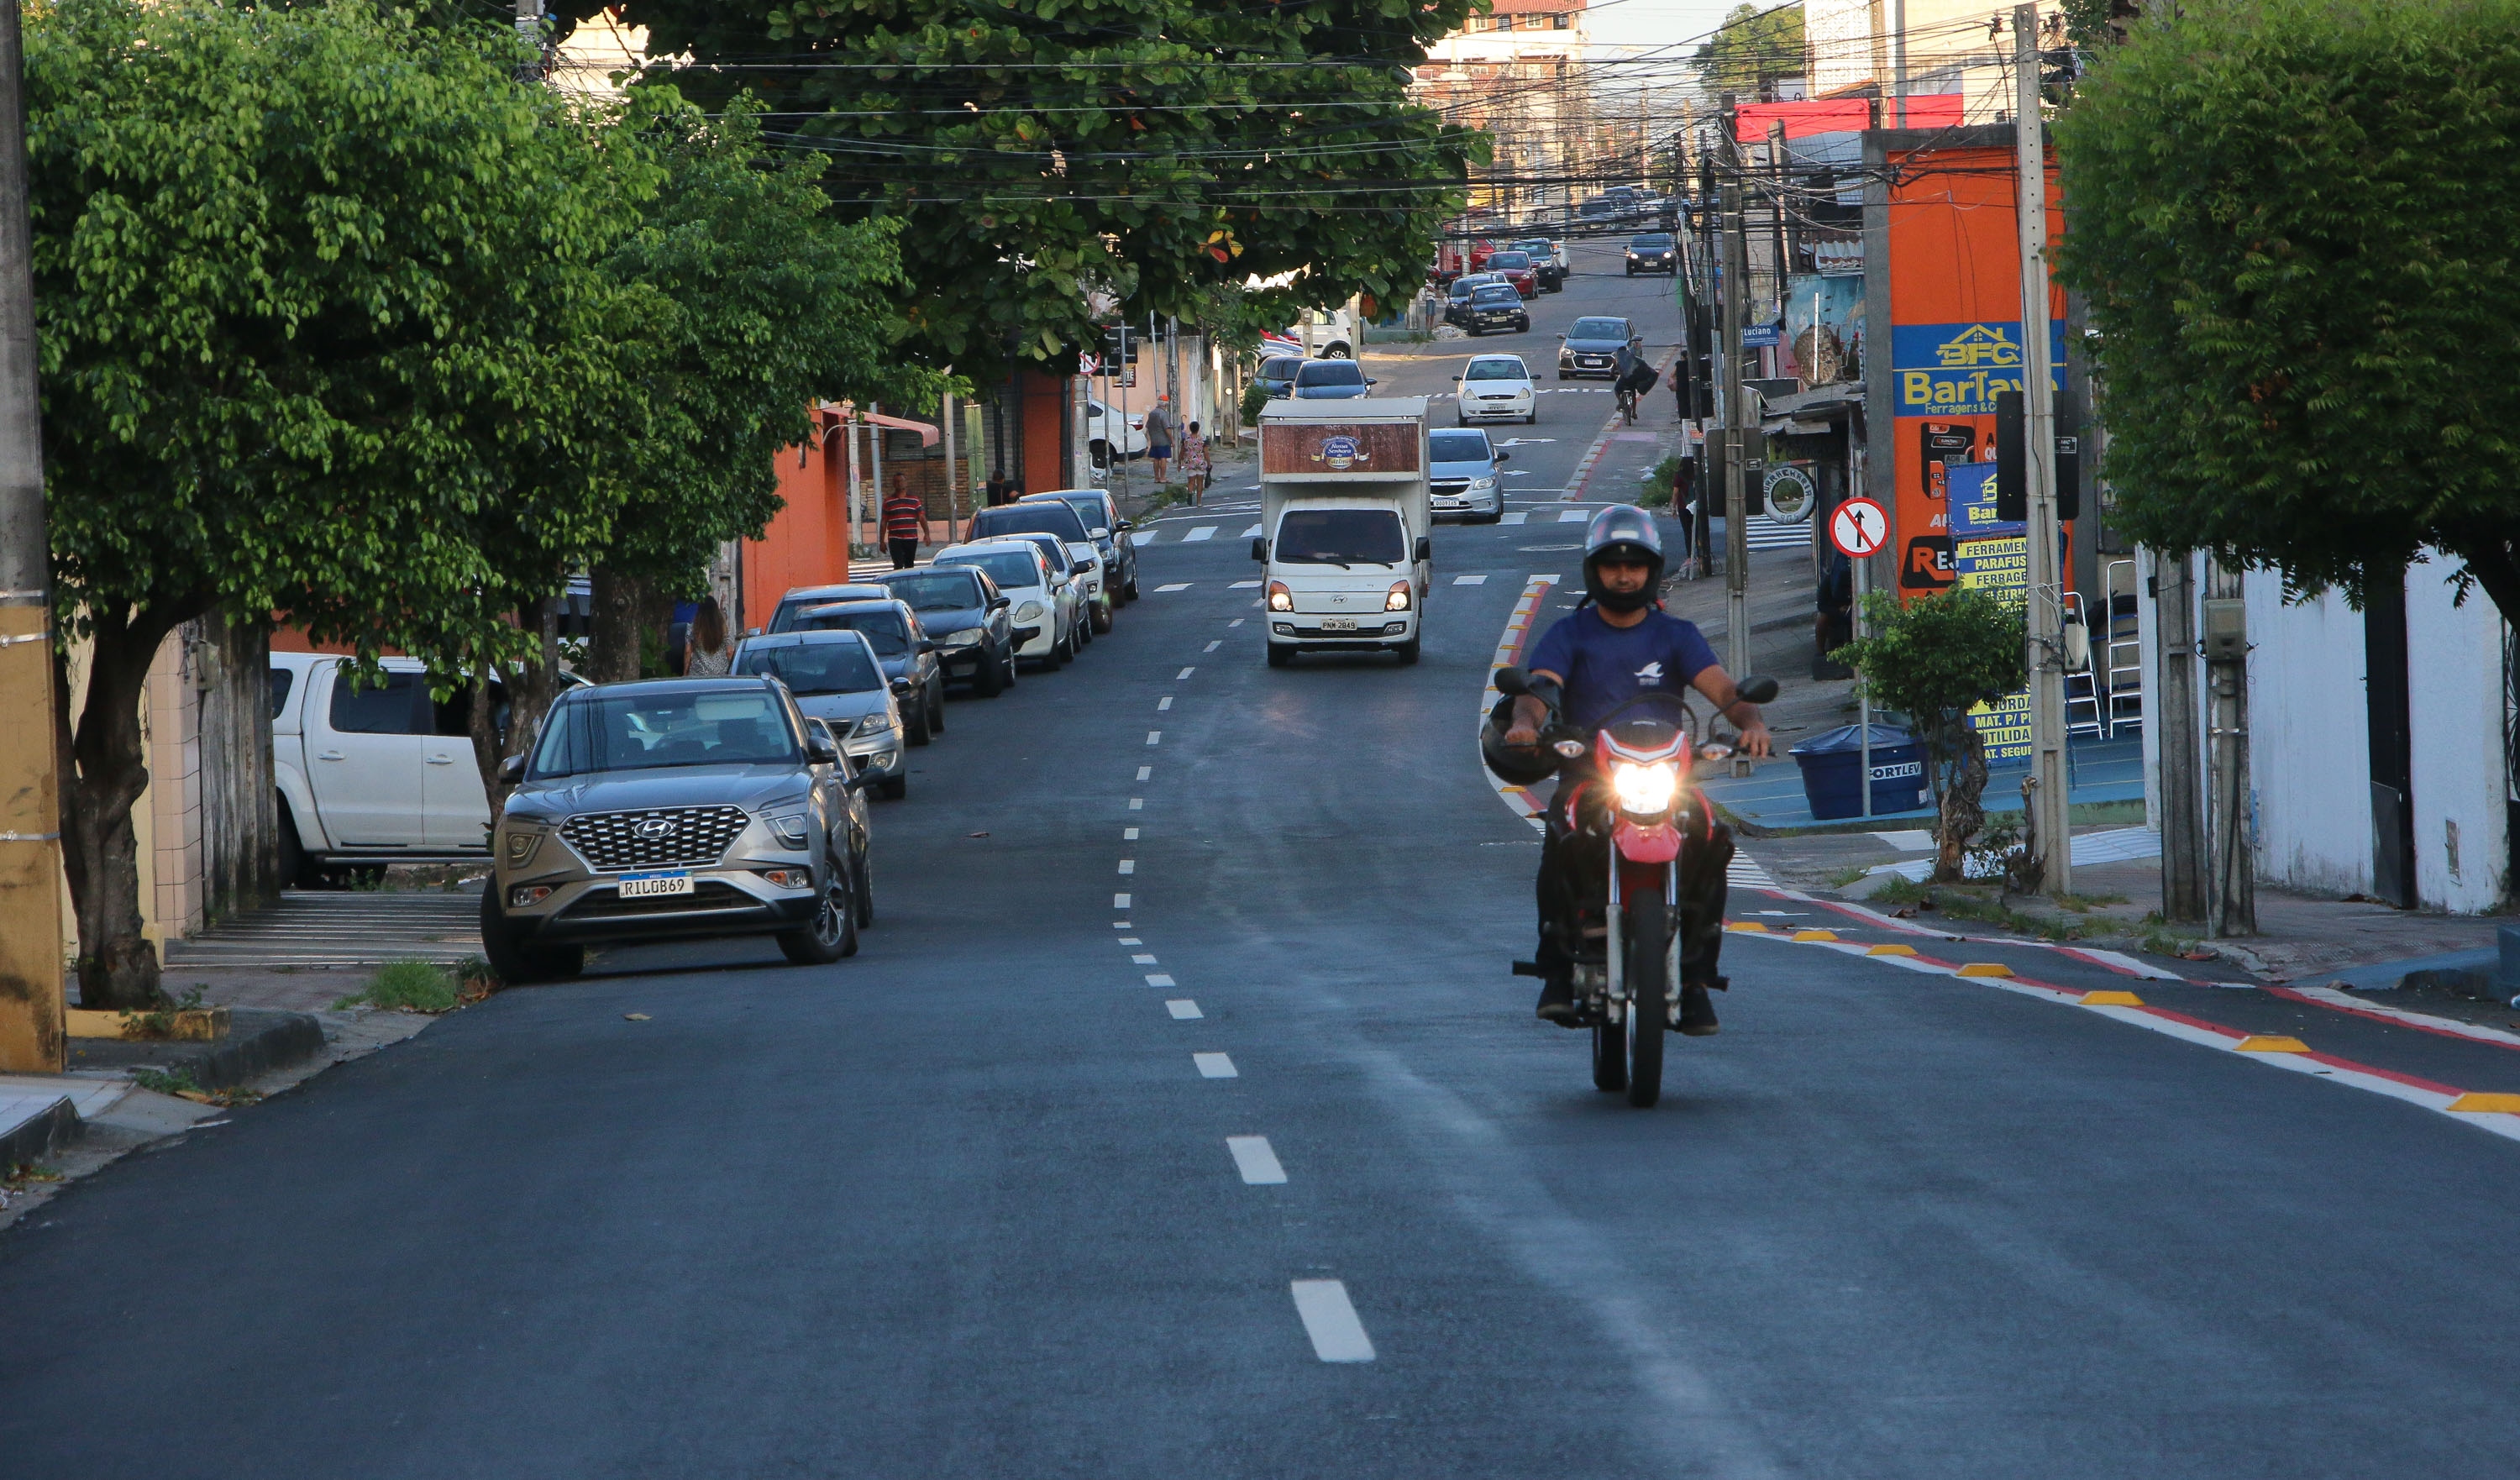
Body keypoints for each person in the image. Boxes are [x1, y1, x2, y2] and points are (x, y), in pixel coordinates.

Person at [1502, 505, 1773, 1032]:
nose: (1624, 576)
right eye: (1611, 565)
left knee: (1714, 836)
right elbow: (1540, 690)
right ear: (1593, 570)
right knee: (1559, 831)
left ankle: (1695, 977)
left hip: (1668, 775)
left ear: (1652, 571)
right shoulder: (1570, 632)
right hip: (1590, 776)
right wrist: (1527, 723)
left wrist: (1751, 722)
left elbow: (1724, 690)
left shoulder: (1676, 634)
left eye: (1635, 566)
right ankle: (1557, 969)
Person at [684, 596, 733, 677]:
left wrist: (685, 673)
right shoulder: (724, 629)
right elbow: (729, 652)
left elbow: (688, 651)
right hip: (721, 674)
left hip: (698, 674)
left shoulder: (692, 628)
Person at [882, 473, 923, 569]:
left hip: (911, 538)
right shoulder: (888, 502)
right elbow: (884, 521)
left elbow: (922, 517)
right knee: (898, 564)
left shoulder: (914, 500)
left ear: (906, 483)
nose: (899, 483)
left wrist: (927, 534)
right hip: (895, 538)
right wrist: (881, 541)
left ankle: (909, 584)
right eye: (896, 481)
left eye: (901, 481)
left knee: (909, 564)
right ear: (893, 484)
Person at [1143, 395, 1173, 485]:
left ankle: (1156, 477)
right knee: (1163, 458)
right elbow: (1167, 428)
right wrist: (1172, 439)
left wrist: (1149, 439)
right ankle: (1163, 477)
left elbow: (1148, 426)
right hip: (1163, 439)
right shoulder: (1164, 414)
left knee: (1156, 458)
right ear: (1166, 404)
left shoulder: (1152, 413)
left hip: (1154, 439)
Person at [1179, 420, 1210, 504]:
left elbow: (1182, 452)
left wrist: (1179, 463)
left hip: (1190, 463)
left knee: (1191, 482)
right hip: (1200, 463)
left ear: (1191, 429)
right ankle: (1199, 502)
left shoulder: (1186, 440)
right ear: (1198, 429)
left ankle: (1190, 493)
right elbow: (1206, 453)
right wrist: (1209, 464)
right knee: (1200, 483)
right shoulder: (1202, 440)